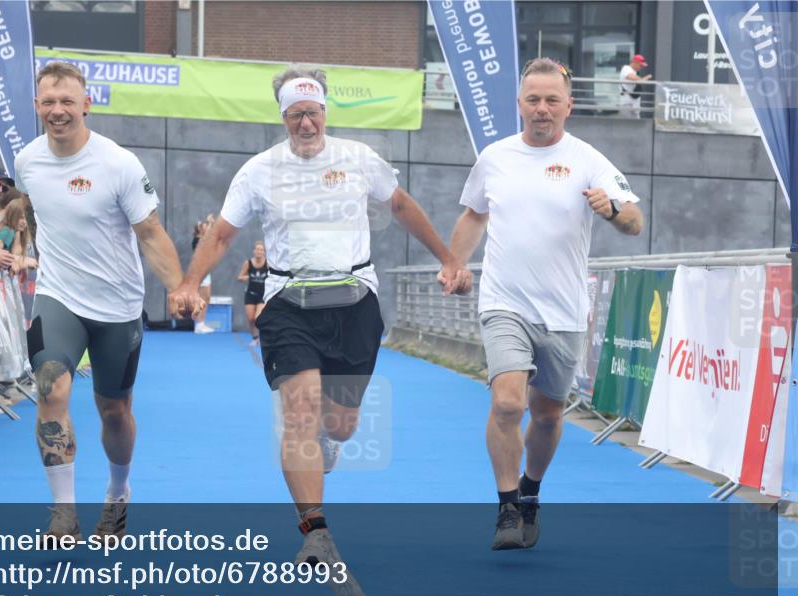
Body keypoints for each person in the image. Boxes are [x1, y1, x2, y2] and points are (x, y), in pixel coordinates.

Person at [169, 66, 466, 563]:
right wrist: (187, 282)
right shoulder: (259, 170)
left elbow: (401, 205)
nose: (305, 124)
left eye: (312, 113)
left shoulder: (358, 158)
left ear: (325, 111)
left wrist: (449, 258)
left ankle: (331, 443)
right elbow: (222, 235)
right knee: (300, 412)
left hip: (354, 300)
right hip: (289, 302)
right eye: (294, 115)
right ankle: (315, 529)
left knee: (342, 424)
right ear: (282, 117)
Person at [448, 58, 644, 550]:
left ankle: (531, 492)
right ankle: (507, 505)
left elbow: (636, 221)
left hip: (563, 309)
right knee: (508, 402)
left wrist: (614, 209)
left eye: (551, 100)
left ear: (568, 105)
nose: (541, 109)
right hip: (504, 301)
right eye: (532, 100)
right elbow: (474, 215)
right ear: (519, 105)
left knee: (550, 414)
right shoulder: (495, 157)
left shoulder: (588, 159)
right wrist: (454, 263)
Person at [15, 61, 184, 541]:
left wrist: (181, 287)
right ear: (37, 107)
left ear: (87, 104)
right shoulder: (28, 161)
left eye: (68, 101)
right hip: (58, 296)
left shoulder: (119, 164)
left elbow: (149, 233)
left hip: (117, 305)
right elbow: (37, 210)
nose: (58, 110)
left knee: (114, 410)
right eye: (48, 101)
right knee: (51, 389)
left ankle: (117, 492)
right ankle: (63, 512)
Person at [0, 198, 37, 275]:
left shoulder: (7, 230)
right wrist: (23, 260)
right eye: (21, 218)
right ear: (13, 215)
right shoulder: (8, 232)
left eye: (26, 218)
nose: (24, 222)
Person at [237, 239, 268, 344]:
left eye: (261, 250)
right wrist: (245, 277)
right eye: (257, 249)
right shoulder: (248, 263)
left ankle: (264, 336)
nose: (259, 252)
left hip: (262, 295)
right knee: (251, 319)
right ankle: (255, 338)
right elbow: (240, 276)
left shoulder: (268, 264)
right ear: (254, 251)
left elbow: (274, 276)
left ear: (264, 252)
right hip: (250, 294)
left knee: (258, 317)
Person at [191, 216, 215, 334]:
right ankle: (199, 325)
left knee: (207, 298)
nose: (207, 228)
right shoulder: (197, 240)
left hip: (206, 271)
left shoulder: (204, 239)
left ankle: (202, 323)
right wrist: (210, 222)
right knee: (202, 298)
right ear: (200, 230)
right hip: (199, 271)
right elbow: (207, 238)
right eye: (205, 226)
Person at [619, 54, 652, 119]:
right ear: (635, 63)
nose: (641, 67)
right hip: (627, 102)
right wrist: (646, 78)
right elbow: (635, 79)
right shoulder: (626, 68)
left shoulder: (634, 71)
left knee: (636, 121)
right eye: (640, 65)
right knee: (627, 123)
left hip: (633, 101)